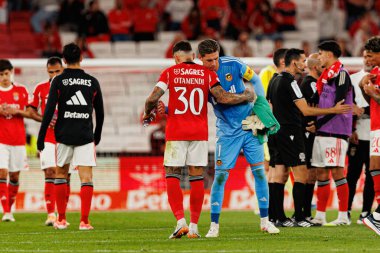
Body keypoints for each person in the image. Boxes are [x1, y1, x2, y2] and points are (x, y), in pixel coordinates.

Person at [143, 40, 255, 239]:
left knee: (172, 174)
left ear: (176, 58)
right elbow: (223, 98)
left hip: (176, 132)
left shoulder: (170, 72)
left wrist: (147, 113)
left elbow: (153, 98)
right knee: (196, 177)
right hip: (199, 133)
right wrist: (245, 96)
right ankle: (194, 227)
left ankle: (180, 222)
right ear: (194, 57)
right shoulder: (207, 74)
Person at [196, 39, 280, 237]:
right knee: (221, 176)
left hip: (251, 123)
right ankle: (214, 226)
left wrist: (261, 104)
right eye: (209, 61)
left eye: (216, 59)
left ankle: (265, 222)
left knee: (260, 173)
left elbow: (256, 80)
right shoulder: (200, 77)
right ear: (200, 59)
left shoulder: (233, 64)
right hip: (227, 131)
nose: (214, 64)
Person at [268, 48, 351, 227]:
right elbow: (305, 110)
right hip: (291, 132)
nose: (305, 65)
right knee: (301, 175)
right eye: (303, 61)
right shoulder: (291, 82)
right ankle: (299, 217)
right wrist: (333, 110)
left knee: (278, 175)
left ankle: (277, 217)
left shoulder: (274, 80)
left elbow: (270, 105)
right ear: (293, 62)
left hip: (276, 131)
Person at [37, 43, 104, 230]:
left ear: (64, 61)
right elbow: (100, 112)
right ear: (81, 58)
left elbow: (49, 111)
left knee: (60, 174)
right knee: (86, 178)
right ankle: (84, 221)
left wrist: (41, 137)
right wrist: (96, 135)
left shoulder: (58, 81)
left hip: (64, 135)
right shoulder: (92, 81)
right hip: (84, 135)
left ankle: (62, 219)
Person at [26, 57, 73, 226]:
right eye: (50, 72)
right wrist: (44, 119)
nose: (54, 75)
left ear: (63, 70)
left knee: (66, 175)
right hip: (47, 136)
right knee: (50, 172)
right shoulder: (41, 88)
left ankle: (62, 214)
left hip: (67, 136)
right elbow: (30, 111)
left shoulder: (71, 87)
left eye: (57, 72)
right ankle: (51, 214)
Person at [311, 41, 354, 226]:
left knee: (337, 172)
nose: (319, 56)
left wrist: (317, 123)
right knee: (321, 172)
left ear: (329, 54)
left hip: (335, 131)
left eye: (320, 53)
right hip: (322, 131)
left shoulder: (342, 75)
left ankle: (343, 216)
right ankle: (320, 215)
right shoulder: (324, 78)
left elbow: (339, 106)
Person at [0, 59, 29, 222]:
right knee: (2, 172)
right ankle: (6, 212)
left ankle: (9, 208)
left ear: (11, 72)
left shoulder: (21, 90)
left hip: (18, 140)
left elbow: (30, 113)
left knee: (15, 176)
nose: (4, 77)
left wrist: (16, 110)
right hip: (1, 140)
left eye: (6, 73)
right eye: (1, 74)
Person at [347, 49, 374, 225]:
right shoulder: (353, 78)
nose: (367, 60)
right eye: (365, 56)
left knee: (372, 175)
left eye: (370, 56)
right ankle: (346, 212)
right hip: (358, 133)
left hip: (375, 134)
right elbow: (345, 103)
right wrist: (350, 128)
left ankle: (365, 213)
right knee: (352, 175)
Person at [262, 48, 287, 223]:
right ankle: (277, 215)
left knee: (272, 170)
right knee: (279, 171)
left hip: (272, 130)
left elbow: (266, 102)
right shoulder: (281, 80)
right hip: (279, 130)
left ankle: (272, 214)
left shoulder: (272, 81)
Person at [359, 36, 380, 235]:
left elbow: (376, 98)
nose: (368, 60)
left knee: (375, 165)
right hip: (375, 124)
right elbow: (370, 99)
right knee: (374, 166)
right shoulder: (374, 73)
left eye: (371, 56)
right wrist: (363, 87)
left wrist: (373, 93)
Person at [299, 53, 323, 221]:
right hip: (307, 131)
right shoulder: (309, 83)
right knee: (308, 173)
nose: (325, 66)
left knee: (312, 172)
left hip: (312, 132)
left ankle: (305, 212)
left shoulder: (315, 83)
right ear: (315, 67)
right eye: (322, 65)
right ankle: (302, 212)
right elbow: (317, 105)